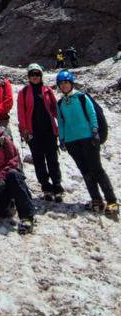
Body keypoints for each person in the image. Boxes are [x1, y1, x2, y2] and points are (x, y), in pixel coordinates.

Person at [56, 71, 118, 216]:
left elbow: (92, 114)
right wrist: (62, 138)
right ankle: (96, 200)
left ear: (71, 83)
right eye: (61, 84)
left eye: (66, 82)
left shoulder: (82, 97)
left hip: (88, 138)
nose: (64, 86)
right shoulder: (60, 103)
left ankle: (112, 200)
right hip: (71, 141)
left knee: (97, 169)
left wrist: (95, 131)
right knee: (85, 171)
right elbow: (61, 122)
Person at [17, 64, 63, 202]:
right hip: (33, 132)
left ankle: (57, 186)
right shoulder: (24, 92)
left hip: (49, 131)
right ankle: (46, 187)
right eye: (32, 74)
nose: (34, 77)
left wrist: (62, 125)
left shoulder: (48, 90)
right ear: (28, 76)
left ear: (41, 75)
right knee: (39, 160)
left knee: (52, 159)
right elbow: (21, 112)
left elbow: (55, 109)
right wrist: (24, 130)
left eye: (37, 74)